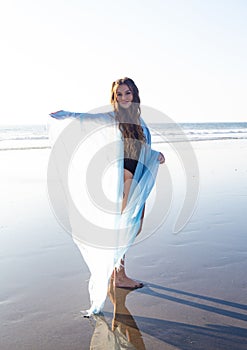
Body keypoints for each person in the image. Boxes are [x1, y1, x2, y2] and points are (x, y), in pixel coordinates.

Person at [49, 77, 165, 315]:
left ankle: (117, 271)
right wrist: (68, 114)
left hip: (137, 175)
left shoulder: (138, 120)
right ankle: (118, 275)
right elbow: (88, 119)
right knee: (124, 226)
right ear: (114, 97)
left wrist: (156, 154)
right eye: (119, 94)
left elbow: (139, 148)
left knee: (136, 225)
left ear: (134, 95)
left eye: (127, 93)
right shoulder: (112, 117)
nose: (123, 98)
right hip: (123, 178)